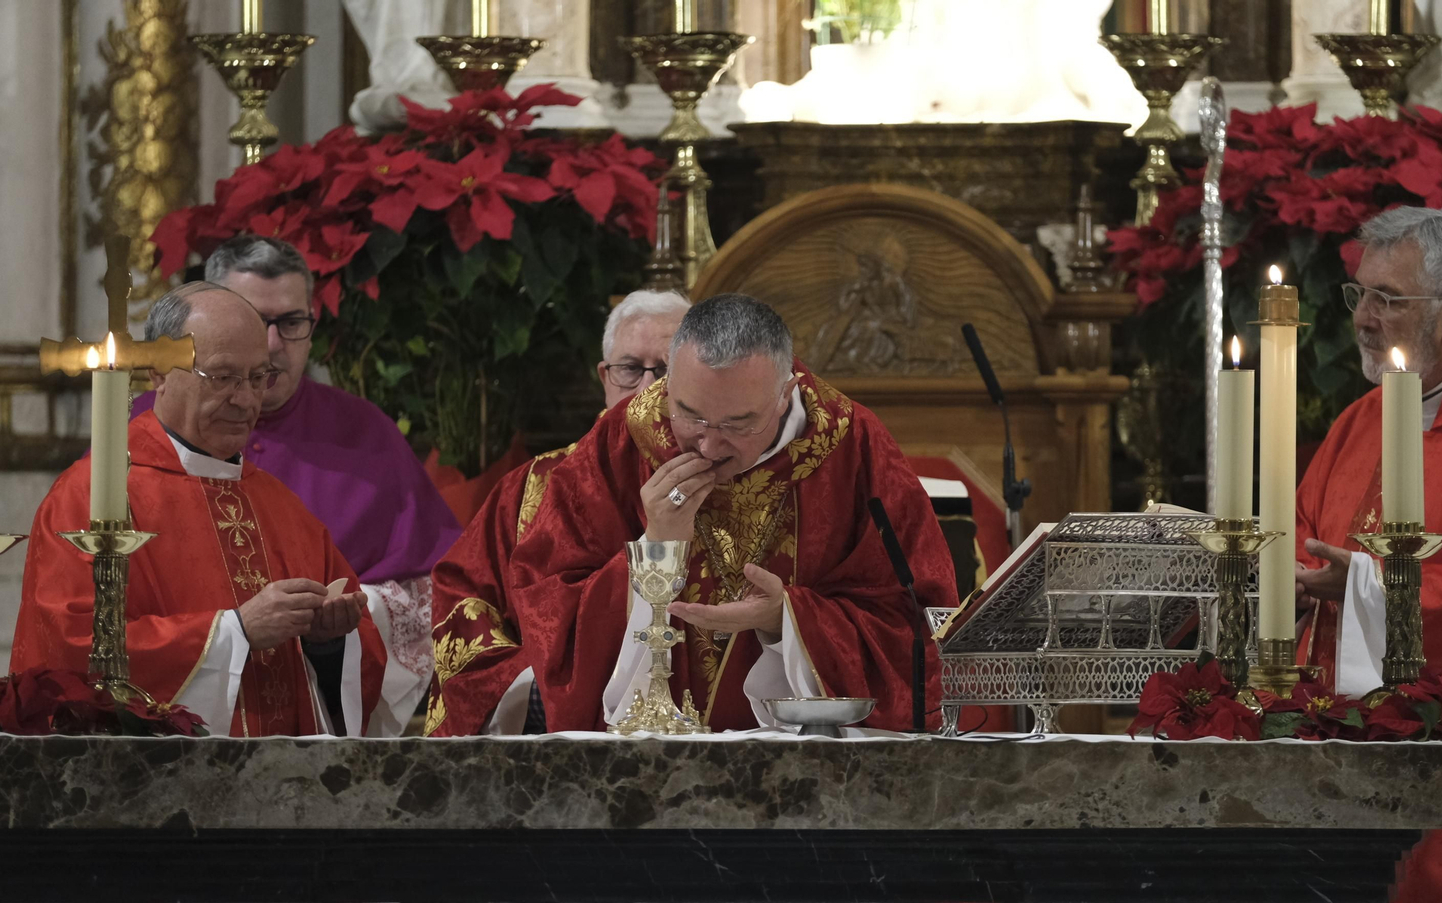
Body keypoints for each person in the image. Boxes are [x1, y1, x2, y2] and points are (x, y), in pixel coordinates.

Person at [500, 293, 953, 733]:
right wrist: (656, 546)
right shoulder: (618, 444)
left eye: (738, 424)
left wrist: (787, 620)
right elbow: (548, 605)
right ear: (669, 383)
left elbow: (916, 624)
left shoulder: (853, 447)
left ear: (785, 394)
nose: (709, 445)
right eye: (689, 415)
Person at [1291, 207, 1442, 901]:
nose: (1363, 317)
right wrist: (1290, 586)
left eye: (1388, 299)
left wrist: (1373, 586)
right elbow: (1301, 532)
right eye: (1360, 294)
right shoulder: (1358, 421)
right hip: (1347, 764)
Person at [13, 282, 388, 736]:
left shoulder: (281, 507)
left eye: (258, 377)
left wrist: (328, 645)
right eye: (223, 377)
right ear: (159, 372)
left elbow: (358, 659)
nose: (246, 400)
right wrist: (235, 631)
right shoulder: (91, 496)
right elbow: (68, 652)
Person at [132, 236, 461, 735]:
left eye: (290, 324)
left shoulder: (366, 434)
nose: (269, 345)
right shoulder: (137, 442)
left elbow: (441, 589)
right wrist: (236, 630)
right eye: (249, 320)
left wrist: (348, 623)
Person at [424, 289, 690, 735]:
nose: (646, 390)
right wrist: (536, 688)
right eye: (629, 369)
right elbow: (463, 602)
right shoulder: (532, 487)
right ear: (605, 375)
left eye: (666, 370)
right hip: (550, 737)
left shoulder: (737, 487)